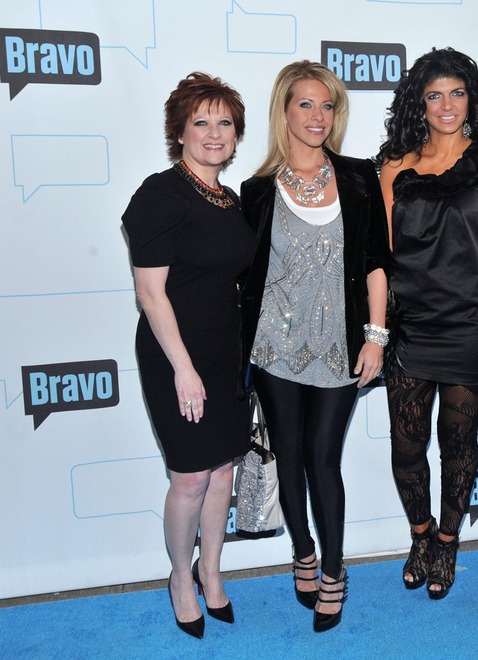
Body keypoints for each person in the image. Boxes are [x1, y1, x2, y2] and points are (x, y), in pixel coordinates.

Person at [239, 60, 391, 632]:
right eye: (305, 104)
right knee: (290, 455)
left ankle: (332, 568)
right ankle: (301, 549)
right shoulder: (257, 192)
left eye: (327, 106)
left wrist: (376, 336)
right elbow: (242, 275)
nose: (318, 116)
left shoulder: (358, 177)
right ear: (284, 111)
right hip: (273, 347)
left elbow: (377, 262)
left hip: (339, 346)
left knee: (324, 459)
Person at [376, 47, 478, 599]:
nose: (447, 105)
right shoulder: (394, 167)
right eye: (434, 95)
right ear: (420, 104)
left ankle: (448, 543)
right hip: (410, 325)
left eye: (457, 93)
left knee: (458, 445)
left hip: (468, 324)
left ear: (472, 99)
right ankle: (421, 535)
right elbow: (383, 255)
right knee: (406, 446)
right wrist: (378, 328)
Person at [122, 72, 253, 639]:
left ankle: (212, 571)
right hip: (175, 353)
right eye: (201, 122)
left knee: (223, 470)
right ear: (180, 132)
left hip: (226, 350)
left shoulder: (229, 198)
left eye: (225, 122)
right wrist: (183, 369)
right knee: (191, 477)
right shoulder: (160, 194)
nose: (214, 133)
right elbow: (150, 294)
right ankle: (180, 576)